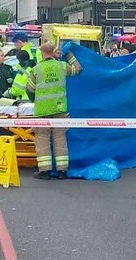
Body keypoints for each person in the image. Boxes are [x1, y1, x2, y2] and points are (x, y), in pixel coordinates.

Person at [27, 43, 82, 179]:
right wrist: (67, 54)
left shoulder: (36, 69)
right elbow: (78, 69)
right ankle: (62, 171)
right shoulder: (62, 66)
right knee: (60, 138)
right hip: (60, 109)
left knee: (42, 139)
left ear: (42, 53)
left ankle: (45, 171)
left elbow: (29, 89)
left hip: (42, 111)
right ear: (53, 52)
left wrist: (36, 100)